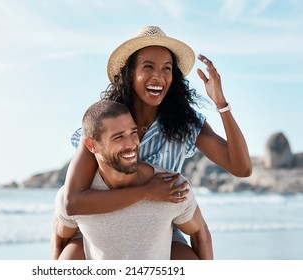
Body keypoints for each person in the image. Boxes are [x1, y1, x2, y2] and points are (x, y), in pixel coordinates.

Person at [62, 26, 252, 259]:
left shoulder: (186, 123)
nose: (158, 76)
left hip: (160, 230)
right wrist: (145, 192)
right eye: (148, 67)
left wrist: (221, 104)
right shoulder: (107, 121)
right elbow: (73, 201)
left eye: (167, 69)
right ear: (130, 72)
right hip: (102, 224)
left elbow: (241, 168)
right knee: (69, 259)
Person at [52, 100, 213, 260]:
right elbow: (60, 239)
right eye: (118, 137)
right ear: (92, 145)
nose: (131, 144)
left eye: (133, 133)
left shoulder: (171, 187)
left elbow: (200, 232)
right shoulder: (76, 197)